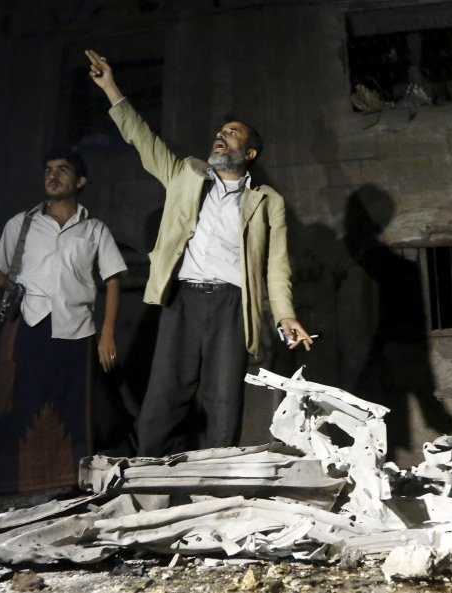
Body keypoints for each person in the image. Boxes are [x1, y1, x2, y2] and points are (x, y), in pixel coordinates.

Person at [85, 49, 313, 457]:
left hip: (232, 305)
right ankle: (151, 474)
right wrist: (110, 88)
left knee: (222, 398)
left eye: (232, 133)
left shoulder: (266, 202)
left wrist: (285, 315)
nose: (221, 135)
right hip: (182, 300)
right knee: (165, 393)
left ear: (249, 154)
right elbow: (142, 138)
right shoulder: (185, 175)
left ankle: (217, 478)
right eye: (220, 130)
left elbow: (276, 266)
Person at [0, 149, 127, 517]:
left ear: (80, 182)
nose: (53, 176)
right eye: (48, 170)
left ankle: (71, 483)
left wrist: (107, 333)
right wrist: (9, 292)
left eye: (62, 170)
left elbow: (113, 279)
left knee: (72, 410)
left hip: (76, 329)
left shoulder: (94, 229)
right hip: (27, 323)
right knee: (10, 407)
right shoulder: (21, 224)